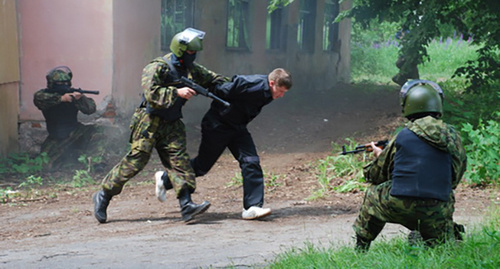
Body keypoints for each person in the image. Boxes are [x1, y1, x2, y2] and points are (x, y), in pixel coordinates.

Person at [92, 28, 226, 223]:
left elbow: (214, 79)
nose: (193, 56)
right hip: (149, 121)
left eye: (194, 52)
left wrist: (237, 87)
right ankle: (103, 195)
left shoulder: (191, 70)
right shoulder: (157, 67)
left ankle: (186, 205)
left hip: (172, 123)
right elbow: (151, 95)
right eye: (190, 52)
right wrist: (177, 93)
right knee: (136, 161)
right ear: (179, 50)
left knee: (179, 162)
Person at [155, 68, 292, 220]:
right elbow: (223, 87)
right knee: (202, 166)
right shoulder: (251, 84)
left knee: (251, 161)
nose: (281, 95)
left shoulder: (269, 92)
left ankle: (252, 207)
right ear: (271, 83)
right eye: (280, 91)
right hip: (217, 125)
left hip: (238, 128)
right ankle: (165, 179)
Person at [352, 79, 467, 251]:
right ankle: (432, 235)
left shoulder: (403, 136)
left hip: (399, 205)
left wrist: (379, 155)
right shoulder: (453, 137)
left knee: (372, 194)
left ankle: (361, 249)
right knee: (441, 247)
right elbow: (455, 176)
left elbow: (376, 175)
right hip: (437, 208)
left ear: (408, 106)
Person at [33, 66, 101, 170]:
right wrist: (61, 99)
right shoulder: (45, 95)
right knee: (44, 165)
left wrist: (80, 99)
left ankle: (96, 162)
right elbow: (38, 99)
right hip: (56, 136)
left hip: (75, 131)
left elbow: (90, 109)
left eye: (65, 83)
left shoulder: (72, 96)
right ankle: (68, 158)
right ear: (52, 83)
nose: (63, 86)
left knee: (99, 132)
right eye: (59, 84)